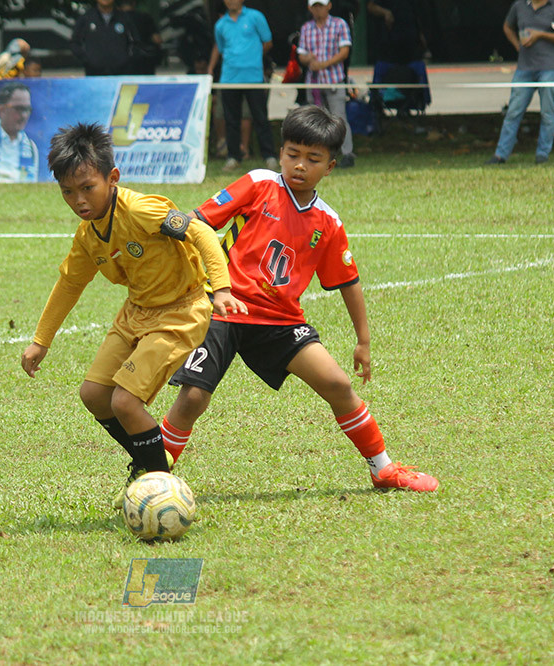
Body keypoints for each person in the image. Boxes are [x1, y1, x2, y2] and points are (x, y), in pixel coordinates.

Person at [162, 105, 439, 493]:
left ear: (330, 167)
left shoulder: (328, 222)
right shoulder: (258, 184)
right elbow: (201, 220)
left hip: (279, 319)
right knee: (193, 397)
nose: (299, 165)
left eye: (313, 159)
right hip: (221, 305)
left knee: (338, 384)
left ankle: (383, 470)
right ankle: (151, 476)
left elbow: (348, 281)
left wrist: (363, 340)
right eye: (292, 154)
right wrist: (170, 228)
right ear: (281, 153)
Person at [20, 123, 248, 508]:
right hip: (136, 313)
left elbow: (202, 234)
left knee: (125, 402)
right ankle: (150, 461)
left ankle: (162, 488)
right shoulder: (88, 234)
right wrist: (41, 340)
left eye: (87, 188)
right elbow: (69, 285)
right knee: (94, 395)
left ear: (112, 178)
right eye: (68, 192)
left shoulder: (142, 210)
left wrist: (221, 288)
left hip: (181, 311)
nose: (79, 200)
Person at [485, 0, 554, 165]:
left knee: (547, 112)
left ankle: (542, 154)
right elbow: (507, 26)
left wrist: (541, 35)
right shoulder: (519, 6)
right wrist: (518, 46)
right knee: (513, 111)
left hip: (550, 67)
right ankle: (500, 155)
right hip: (524, 67)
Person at [209, 0, 279, 173]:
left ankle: (269, 156)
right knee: (231, 119)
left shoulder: (256, 17)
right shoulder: (220, 24)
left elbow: (267, 42)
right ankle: (233, 157)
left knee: (261, 118)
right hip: (229, 78)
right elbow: (222, 47)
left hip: (253, 77)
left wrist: (251, 56)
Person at [298, 0, 356, 169]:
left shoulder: (339, 24)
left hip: (334, 79)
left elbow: (344, 52)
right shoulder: (306, 28)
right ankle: (320, 154)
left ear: (329, 6)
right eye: (315, 6)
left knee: (339, 118)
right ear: (310, 8)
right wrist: (308, 59)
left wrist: (323, 64)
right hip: (313, 82)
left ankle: (347, 153)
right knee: (315, 120)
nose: (318, 9)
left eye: (321, 6)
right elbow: (301, 54)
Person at [70, 0, 140, 76]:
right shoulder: (86, 18)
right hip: (93, 73)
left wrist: (126, 60)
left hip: (121, 73)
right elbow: (75, 43)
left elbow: (135, 42)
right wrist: (87, 60)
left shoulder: (124, 18)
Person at [118, 0, 163, 75]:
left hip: (122, 60)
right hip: (144, 60)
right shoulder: (145, 17)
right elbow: (157, 39)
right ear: (134, 3)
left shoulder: (117, 19)